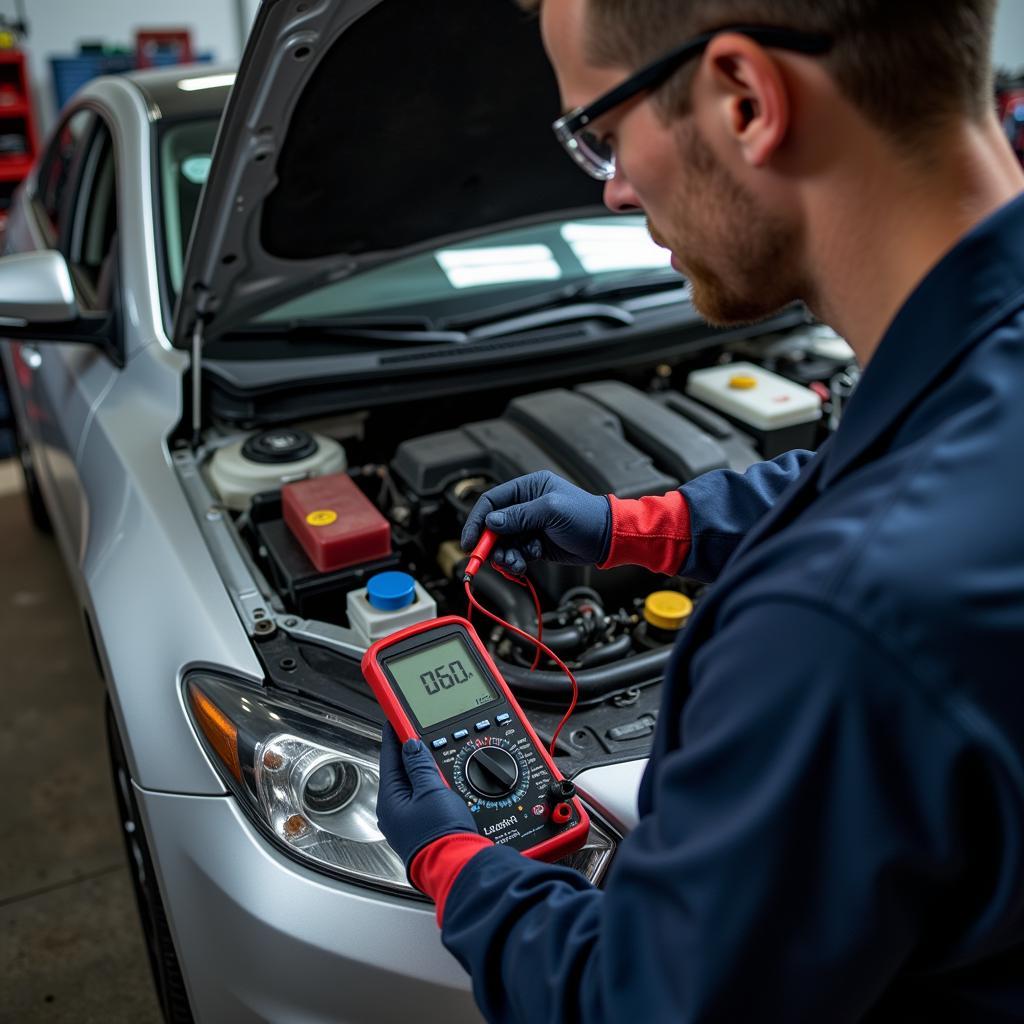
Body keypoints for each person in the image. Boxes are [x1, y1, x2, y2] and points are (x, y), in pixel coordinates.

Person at [376, 0, 1024, 1019]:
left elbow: (638, 1001)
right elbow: (892, 460)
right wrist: (642, 526)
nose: (613, 192)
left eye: (598, 134)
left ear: (743, 99)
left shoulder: (832, 627)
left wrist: (459, 863)